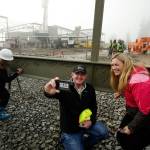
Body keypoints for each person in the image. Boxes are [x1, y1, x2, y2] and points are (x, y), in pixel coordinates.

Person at [44, 64, 108, 150]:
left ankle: (82, 143)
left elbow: (94, 107)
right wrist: (47, 90)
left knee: (103, 132)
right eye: (77, 73)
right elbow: (50, 93)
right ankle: (66, 138)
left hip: (85, 123)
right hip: (70, 129)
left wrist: (91, 121)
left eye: (82, 74)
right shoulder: (64, 86)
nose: (79, 76)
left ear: (86, 76)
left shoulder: (90, 88)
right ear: (72, 75)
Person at [110, 53, 150, 150]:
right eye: (112, 65)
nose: (113, 68)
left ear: (125, 64)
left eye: (116, 65)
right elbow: (132, 88)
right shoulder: (131, 73)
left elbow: (145, 109)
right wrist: (122, 92)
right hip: (135, 111)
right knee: (122, 135)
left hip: (145, 115)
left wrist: (131, 127)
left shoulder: (139, 80)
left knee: (129, 142)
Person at [0, 48, 23, 121]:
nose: (8, 62)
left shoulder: (2, 65)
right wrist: (17, 74)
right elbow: (7, 79)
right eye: (6, 61)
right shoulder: (1, 68)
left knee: (4, 95)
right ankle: (0, 112)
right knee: (6, 95)